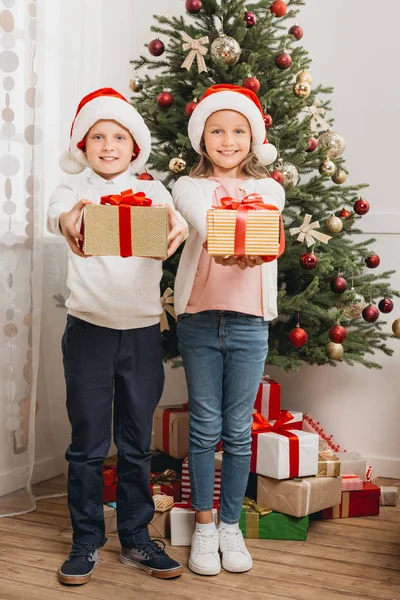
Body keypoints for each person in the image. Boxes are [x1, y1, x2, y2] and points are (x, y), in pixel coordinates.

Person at [47, 87, 186, 585]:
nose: (108, 145)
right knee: (86, 442)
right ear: (83, 147)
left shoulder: (153, 191)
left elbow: (178, 223)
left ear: (135, 146)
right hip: (88, 331)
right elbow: (57, 215)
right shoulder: (73, 192)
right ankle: (86, 539)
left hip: (143, 333)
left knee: (136, 443)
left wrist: (180, 229)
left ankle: (135, 538)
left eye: (119, 136)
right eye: (98, 136)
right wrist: (70, 221)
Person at [172, 84, 285, 576]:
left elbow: (265, 224)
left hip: (249, 322)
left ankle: (231, 527)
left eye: (239, 130)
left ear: (253, 138)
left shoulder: (270, 190)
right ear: (202, 140)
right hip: (199, 318)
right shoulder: (188, 188)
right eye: (217, 130)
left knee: (238, 431)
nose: (228, 140)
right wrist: (228, 232)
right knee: (204, 427)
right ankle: (203, 527)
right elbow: (201, 219)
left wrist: (245, 232)